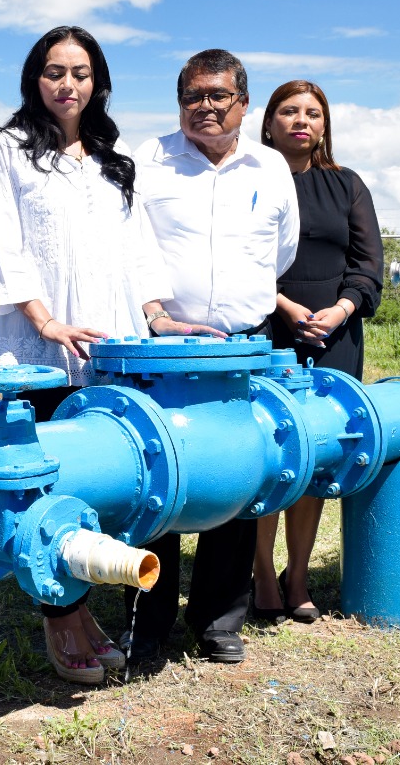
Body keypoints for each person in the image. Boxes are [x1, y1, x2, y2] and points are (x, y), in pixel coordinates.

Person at [0, 25, 218, 685]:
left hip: (111, 351)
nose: (67, 84)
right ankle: (65, 622)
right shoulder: (10, 151)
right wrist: (45, 320)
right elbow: (3, 243)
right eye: (54, 71)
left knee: (114, 478)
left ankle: (111, 619)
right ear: (35, 79)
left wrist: (162, 318)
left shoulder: (114, 161)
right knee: (53, 487)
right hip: (40, 349)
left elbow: (139, 256)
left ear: (97, 83)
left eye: (80, 73)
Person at [126, 49, 300, 666]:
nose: (205, 106)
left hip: (244, 345)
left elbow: (282, 252)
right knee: (156, 481)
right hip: (161, 347)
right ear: (179, 103)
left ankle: (220, 620)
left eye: (218, 96)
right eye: (193, 96)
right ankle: (146, 627)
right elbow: (130, 244)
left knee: (237, 475)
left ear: (243, 104)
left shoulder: (272, 167)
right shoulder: (148, 161)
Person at [250, 80, 383, 623]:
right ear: (269, 121)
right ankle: (260, 571)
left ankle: (297, 574)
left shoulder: (346, 185)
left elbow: (367, 265)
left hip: (334, 335)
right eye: (289, 111)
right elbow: (240, 259)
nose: (301, 120)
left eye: (312, 113)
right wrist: (281, 305)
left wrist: (343, 308)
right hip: (266, 327)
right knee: (266, 452)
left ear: (324, 125)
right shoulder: (249, 180)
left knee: (317, 453)